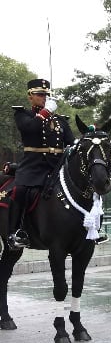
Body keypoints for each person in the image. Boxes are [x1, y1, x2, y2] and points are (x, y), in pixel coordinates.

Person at [6, 78, 75, 249]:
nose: (44, 97)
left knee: (86, 185)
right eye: (39, 94)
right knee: (20, 191)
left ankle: (91, 229)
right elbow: (30, 128)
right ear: (30, 96)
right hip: (33, 166)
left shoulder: (60, 120)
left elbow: (71, 142)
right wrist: (45, 112)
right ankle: (16, 232)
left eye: (46, 95)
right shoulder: (22, 115)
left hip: (57, 166)